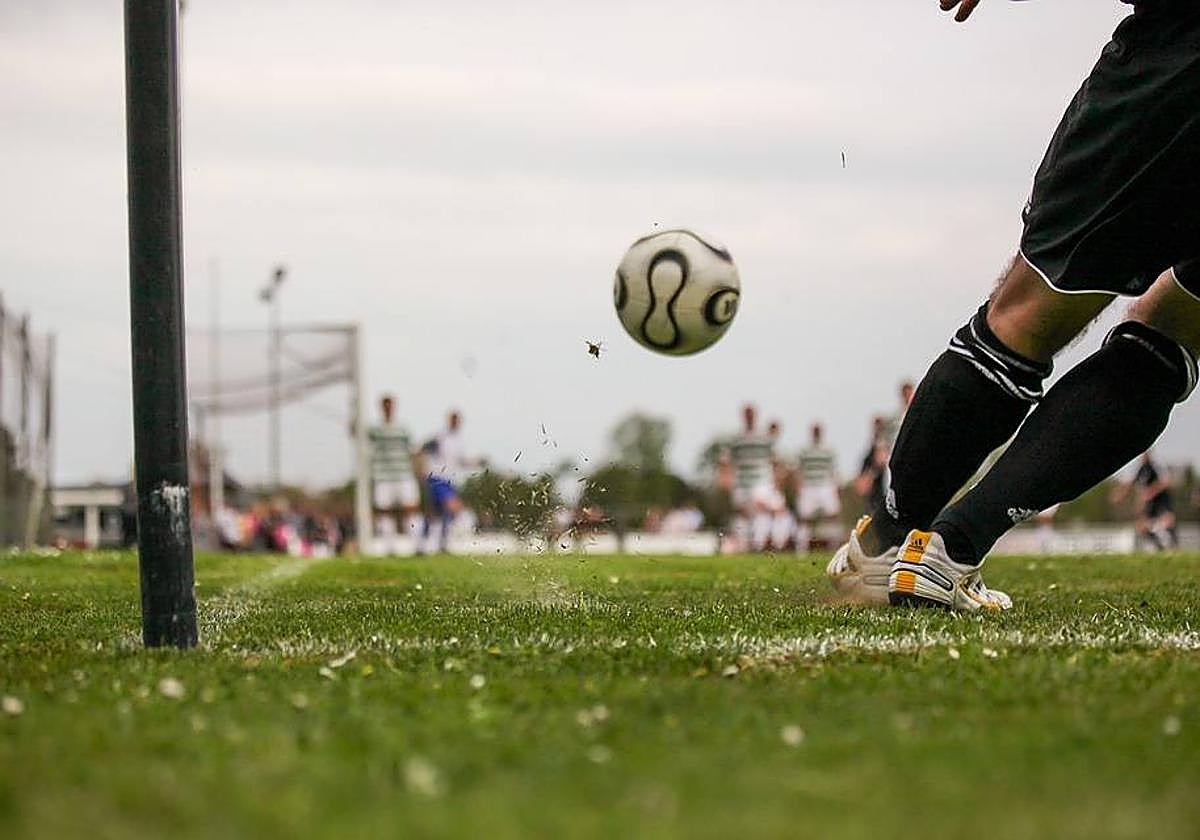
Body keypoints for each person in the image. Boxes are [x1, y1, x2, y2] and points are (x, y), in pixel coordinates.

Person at [829, 0, 1200, 611]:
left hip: (1178, 58)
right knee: (1173, 335)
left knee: (1025, 316)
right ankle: (951, 549)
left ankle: (888, 546)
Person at [715, 404, 777, 552]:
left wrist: (775, 479)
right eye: (746, 414)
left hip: (761, 480)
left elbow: (773, 459)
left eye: (751, 414)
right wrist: (725, 476)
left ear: (755, 416)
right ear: (743, 416)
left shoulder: (764, 437)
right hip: (741, 481)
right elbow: (726, 460)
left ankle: (759, 544)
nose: (749, 417)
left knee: (760, 507)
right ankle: (743, 545)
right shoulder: (736, 438)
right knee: (743, 512)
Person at [368, 395, 421, 555]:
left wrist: (419, 470)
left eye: (390, 406)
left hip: (403, 475)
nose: (388, 409)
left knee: (411, 508)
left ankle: (417, 546)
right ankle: (388, 548)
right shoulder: (375, 430)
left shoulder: (403, 429)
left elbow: (413, 450)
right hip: (383, 477)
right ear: (381, 408)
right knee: (385, 511)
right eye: (385, 406)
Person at [420, 409, 473, 554]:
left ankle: (435, 544)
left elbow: (461, 461)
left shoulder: (458, 440)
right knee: (452, 506)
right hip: (437, 477)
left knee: (437, 513)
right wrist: (422, 468)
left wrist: (476, 462)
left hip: (450, 479)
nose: (456, 422)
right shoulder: (440, 436)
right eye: (453, 419)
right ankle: (430, 543)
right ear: (449, 420)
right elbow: (422, 448)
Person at [1114, 451, 1179, 551]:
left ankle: (1173, 547)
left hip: (1162, 502)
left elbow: (1166, 481)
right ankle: (1159, 548)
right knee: (1142, 527)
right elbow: (1130, 484)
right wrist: (1120, 494)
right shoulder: (1141, 469)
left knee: (1168, 522)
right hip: (1151, 505)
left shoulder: (1156, 466)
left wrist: (1150, 492)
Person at [795, 422, 840, 551]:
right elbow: (799, 470)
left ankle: (834, 547)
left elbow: (834, 471)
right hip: (809, 486)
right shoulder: (804, 451)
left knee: (832, 515)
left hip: (825, 485)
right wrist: (799, 487)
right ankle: (801, 549)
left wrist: (836, 488)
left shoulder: (828, 450)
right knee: (805, 518)